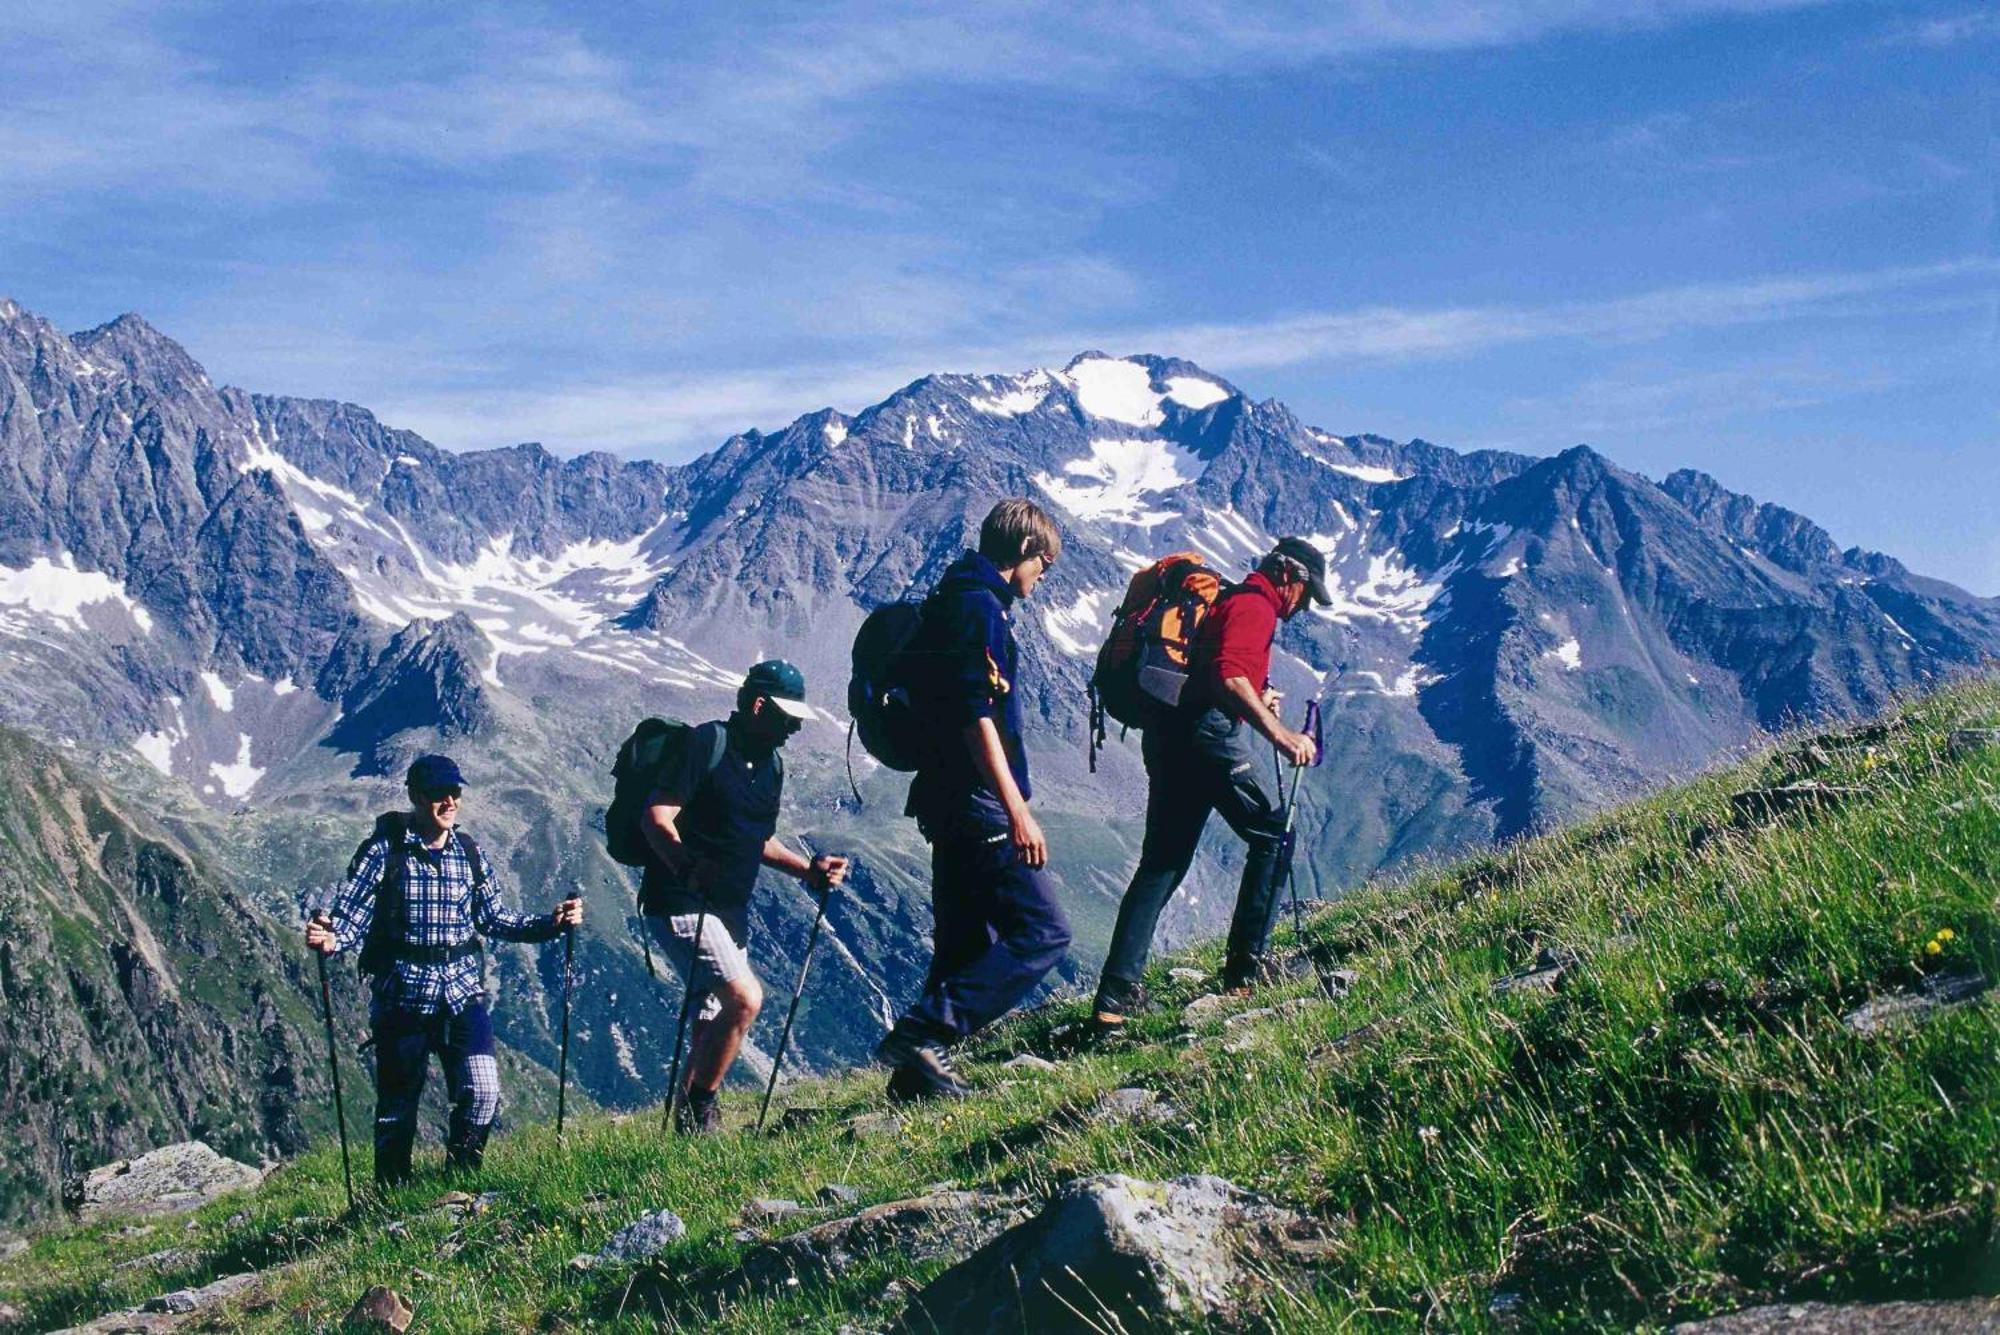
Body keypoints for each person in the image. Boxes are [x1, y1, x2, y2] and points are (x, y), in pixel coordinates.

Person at [1089, 536, 1330, 1039]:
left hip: (1168, 735)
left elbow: (1223, 672)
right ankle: (1245, 974)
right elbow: (1228, 677)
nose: (1304, 607)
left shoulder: (1230, 602)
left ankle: (1114, 999)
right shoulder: (1256, 604)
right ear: (1290, 576)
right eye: (1307, 595)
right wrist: (1281, 735)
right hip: (1206, 736)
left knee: (1163, 862)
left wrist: (1258, 697)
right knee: (1272, 833)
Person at [874, 498, 1074, 1101]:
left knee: (963, 944)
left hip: (942, 800)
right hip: (976, 799)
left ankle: (917, 1078)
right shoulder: (978, 608)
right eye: (1045, 563)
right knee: (1042, 931)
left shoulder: (954, 600)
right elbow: (975, 716)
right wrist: (1018, 810)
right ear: (1024, 553)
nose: (1044, 576)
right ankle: (921, 1034)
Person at [307, 754, 584, 1186]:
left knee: (483, 1092)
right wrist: (332, 939)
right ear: (416, 797)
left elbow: (495, 919)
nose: (450, 801)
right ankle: (390, 1196)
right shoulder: (384, 853)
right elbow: (352, 918)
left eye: (455, 792)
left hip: (461, 994)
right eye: (439, 794)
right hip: (403, 997)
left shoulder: (469, 853)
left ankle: (461, 1180)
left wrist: (552, 924)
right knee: (398, 1108)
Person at [637, 659, 850, 1134]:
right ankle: (702, 1107)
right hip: (682, 902)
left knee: (709, 1019)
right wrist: (686, 866)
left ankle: (685, 1137)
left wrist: (807, 872)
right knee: (744, 998)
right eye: (787, 715)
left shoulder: (771, 766)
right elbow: (657, 816)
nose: (795, 726)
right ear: (758, 706)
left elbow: (757, 840)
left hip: (731, 909)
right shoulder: (706, 745)